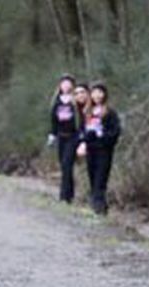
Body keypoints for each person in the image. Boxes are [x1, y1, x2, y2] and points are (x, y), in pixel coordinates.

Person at [81, 82, 121, 215]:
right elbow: (83, 131)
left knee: (101, 178)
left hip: (104, 150)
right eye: (94, 92)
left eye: (100, 92)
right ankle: (96, 205)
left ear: (104, 94)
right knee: (92, 177)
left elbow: (115, 132)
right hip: (91, 150)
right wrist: (84, 142)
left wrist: (102, 135)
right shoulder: (87, 112)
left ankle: (100, 208)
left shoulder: (110, 112)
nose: (97, 95)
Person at [47, 74, 83, 204]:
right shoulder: (56, 101)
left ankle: (64, 196)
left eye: (69, 83)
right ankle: (70, 193)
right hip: (61, 136)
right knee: (64, 166)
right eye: (64, 83)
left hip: (73, 137)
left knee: (67, 164)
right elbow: (53, 120)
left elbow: (82, 118)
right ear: (60, 85)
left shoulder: (75, 101)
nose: (66, 86)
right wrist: (52, 135)